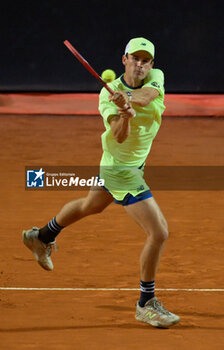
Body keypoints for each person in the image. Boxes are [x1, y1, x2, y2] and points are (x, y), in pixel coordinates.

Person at [22, 37, 180, 328]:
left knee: (90, 205)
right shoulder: (105, 97)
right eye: (135, 58)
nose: (141, 64)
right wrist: (124, 114)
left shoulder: (155, 78)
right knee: (158, 233)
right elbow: (119, 136)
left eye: (146, 60)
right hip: (120, 168)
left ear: (152, 64)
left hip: (127, 164)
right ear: (124, 60)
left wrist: (128, 101)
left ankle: (41, 236)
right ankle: (146, 303)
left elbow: (145, 97)